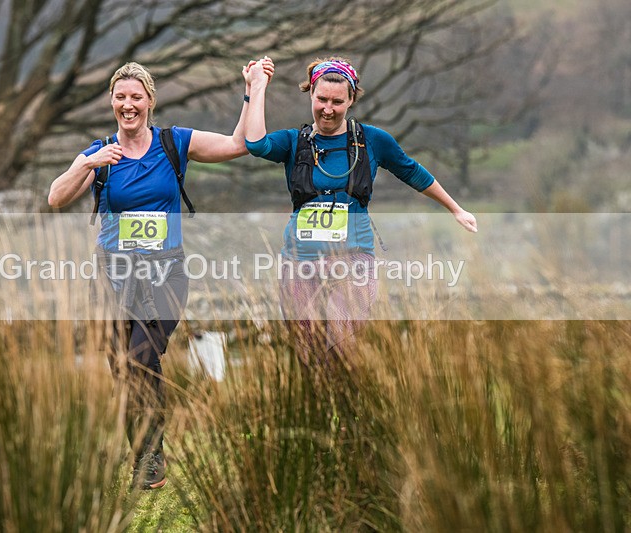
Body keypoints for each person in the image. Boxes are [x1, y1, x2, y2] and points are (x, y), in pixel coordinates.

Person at [48, 60, 272, 490]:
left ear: (150, 101)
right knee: (122, 367)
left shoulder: (173, 143)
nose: (128, 105)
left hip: (165, 273)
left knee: (141, 357)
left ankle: (151, 459)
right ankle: (146, 457)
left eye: (136, 97)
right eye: (120, 97)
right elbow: (57, 197)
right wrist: (89, 163)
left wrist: (252, 90)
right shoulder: (100, 152)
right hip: (111, 276)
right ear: (112, 101)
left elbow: (237, 144)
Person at [243, 56, 477, 365]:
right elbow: (256, 143)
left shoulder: (373, 141)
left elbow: (412, 172)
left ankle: (347, 407)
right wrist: (257, 87)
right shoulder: (293, 142)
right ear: (311, 95)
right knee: (306, 348)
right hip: (300, 259)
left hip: (354, 257)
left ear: (351, 99)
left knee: (341, 342)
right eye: (321, 99)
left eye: (337, 101)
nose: (328, 108)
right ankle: (317, 411)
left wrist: (455, 209)